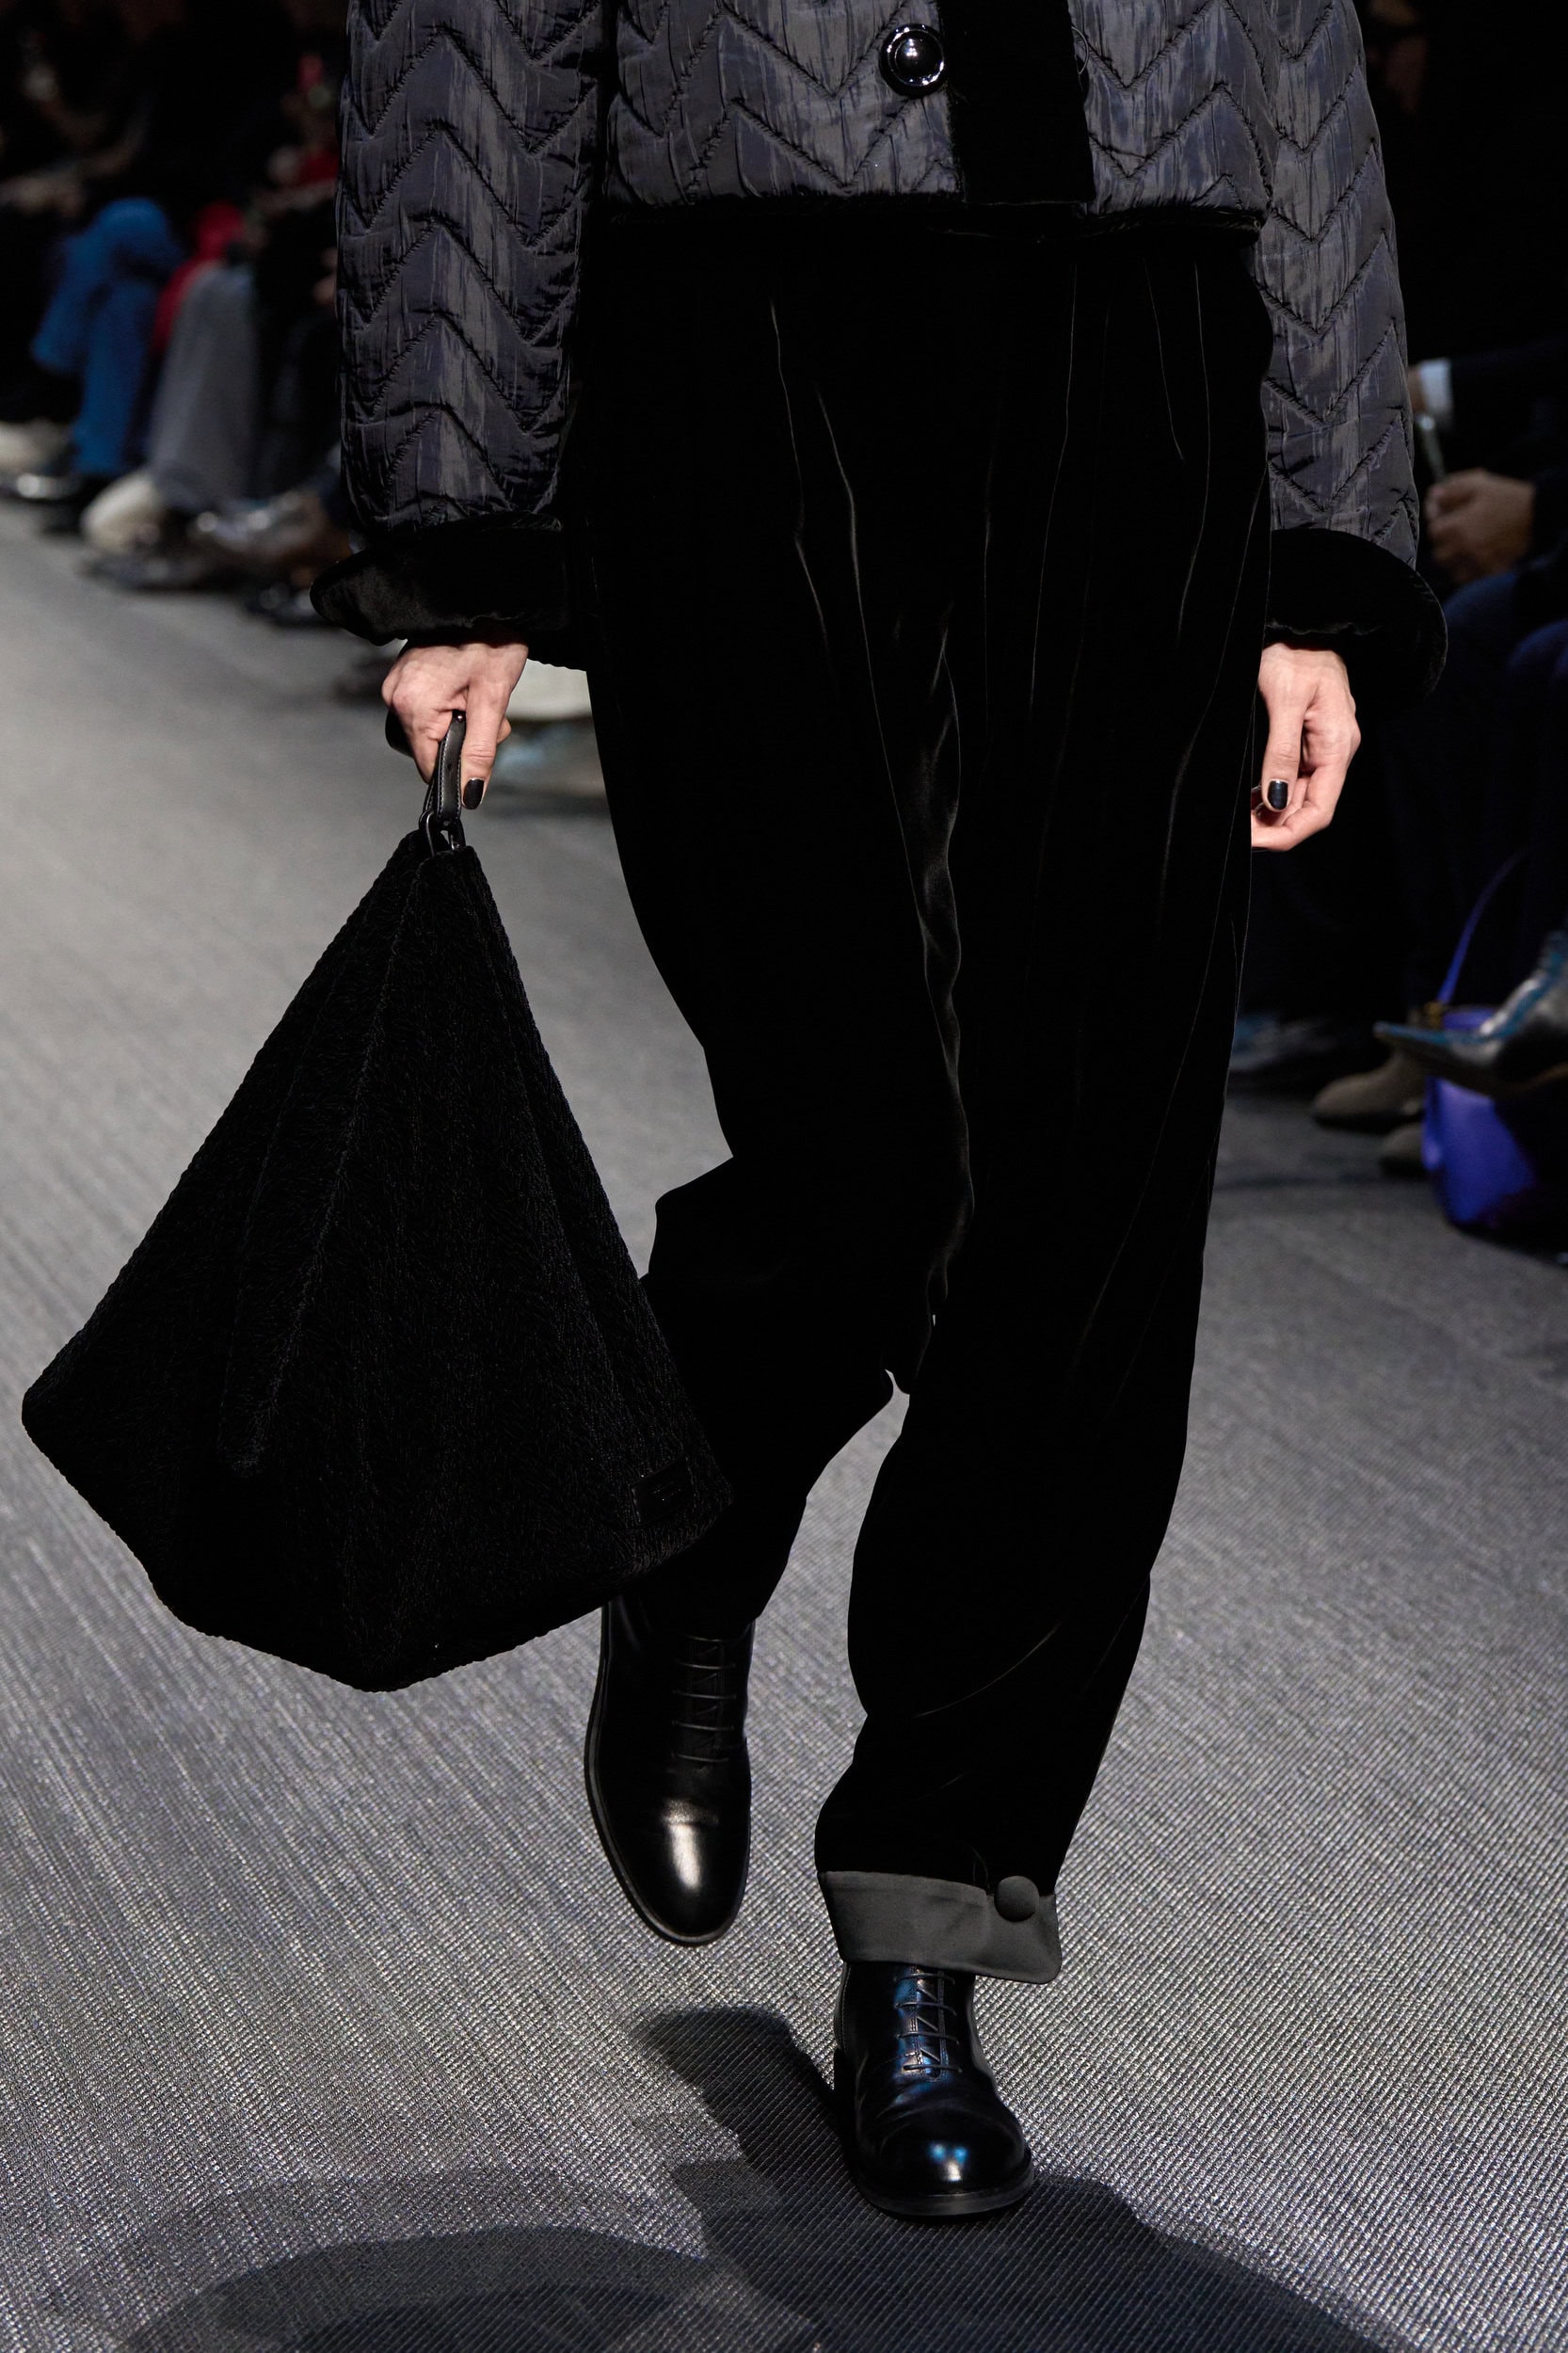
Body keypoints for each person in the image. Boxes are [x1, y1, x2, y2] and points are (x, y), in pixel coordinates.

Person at [313, 0, 1444, 2219]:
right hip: (744, 334)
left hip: (1140, 332)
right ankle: (691, 1513)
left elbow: (1292, 48)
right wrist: (464, 530)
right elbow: (482, 37)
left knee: (1087, 1199)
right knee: (860, 1156)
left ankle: (933, 1913)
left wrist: (1323, 546)